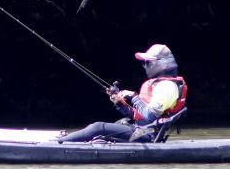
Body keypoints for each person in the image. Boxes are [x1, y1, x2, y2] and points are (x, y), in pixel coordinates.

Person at [57, 44, 188, 143]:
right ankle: (69, 139)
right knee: (116, 124)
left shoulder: (167, 86)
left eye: (147, 62)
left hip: (146, 134)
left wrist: (133, 96)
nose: (144, 66)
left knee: (98, 127)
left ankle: (60, 143)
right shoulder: (162, 85)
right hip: (143, 130)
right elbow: (138, 115)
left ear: (162, 63)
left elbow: (149, 116)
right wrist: (119, 103)